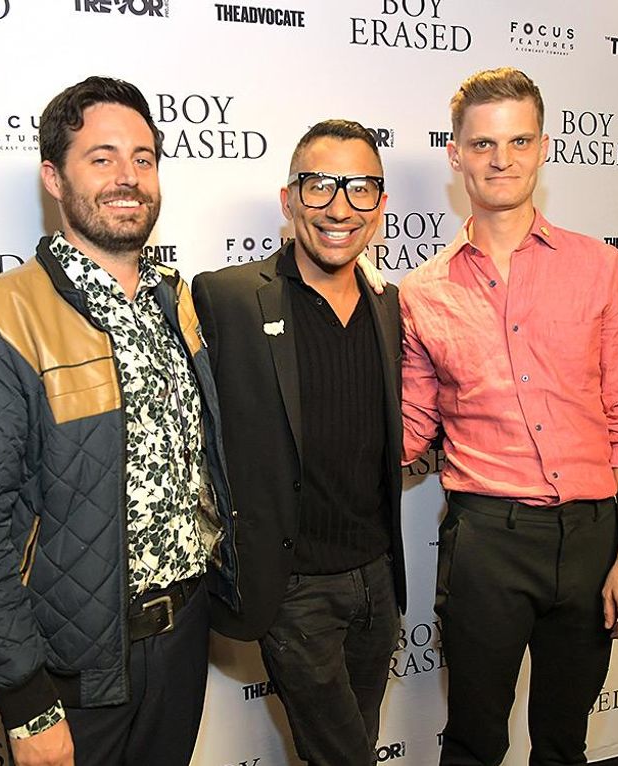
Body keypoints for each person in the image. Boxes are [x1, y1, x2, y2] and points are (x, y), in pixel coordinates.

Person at [0, 76, 239, 766]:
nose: (127, 177)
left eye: (144, 158)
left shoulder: (177, 306)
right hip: (74, 669)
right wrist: (26, 702)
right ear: (53, 178)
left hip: (184, 638)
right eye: (101, 158)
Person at [400, 67, 618, 766]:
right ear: (455, 154)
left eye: (517, 141)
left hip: (592, 537)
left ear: (544, 146)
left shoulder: (604, 270)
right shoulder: (420, 293)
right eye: (482, 144)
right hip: (487, 541)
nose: (501, 159)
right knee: (475, 741)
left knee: (564, 744)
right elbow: (410, 430)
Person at [193, 120, 406, 766]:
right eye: (320, 186)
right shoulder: (226, 297)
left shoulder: (390, 305)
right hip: (295, 591)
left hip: (378, 582)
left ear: (381, 206)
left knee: (348, 746)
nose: (340, 208)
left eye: (361, 189)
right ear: (289, 200)